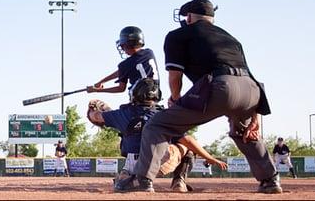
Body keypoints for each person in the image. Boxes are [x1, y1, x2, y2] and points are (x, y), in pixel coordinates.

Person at [114, 0, 280, 194]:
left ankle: (142, 180)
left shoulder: (178, 35)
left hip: (220, 87)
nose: (185, 19)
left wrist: (175, 99)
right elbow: (247, 75)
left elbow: (175, 76)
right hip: (251, 91)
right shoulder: (230, 38)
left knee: (157, 124)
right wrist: (255, 114)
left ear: (191, 17)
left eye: (186, 16)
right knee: (246, 133)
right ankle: (270, 180)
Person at [88, 78, 227, 192]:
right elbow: (188, 140)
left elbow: (95, 116)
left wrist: (92, 111)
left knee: (122, 179)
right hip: (158, 163)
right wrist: (210, 158)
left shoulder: (121, 114)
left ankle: (129, 178)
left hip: (133, 164)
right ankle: (179, 182)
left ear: (134, 94)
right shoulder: (163, 115)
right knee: (188, 146)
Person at [87, 26, 160, 99]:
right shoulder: (149, 53)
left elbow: (120, 88)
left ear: (126, 44)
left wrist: (97, 90)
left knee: (103, 111)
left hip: (138, 104)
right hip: (155, 98)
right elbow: (124, 70)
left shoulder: (125, 65)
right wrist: (101, 81)